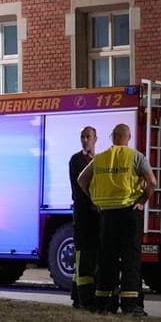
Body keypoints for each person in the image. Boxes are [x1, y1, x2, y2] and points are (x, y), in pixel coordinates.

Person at [76, 123, 159, 316]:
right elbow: (152, 182)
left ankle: (104, 303)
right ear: (128, 137)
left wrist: (95, 198)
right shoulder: (135, 157)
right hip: (129, 212)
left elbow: (82, 179)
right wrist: (142, 200)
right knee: (130, 258)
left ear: (112, 137)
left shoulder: (101, 158)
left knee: (107, 258)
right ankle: (130, 305)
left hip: (107, 214)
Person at [67, 126, 99, 311]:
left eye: (88, 137)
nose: (85, 140)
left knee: (92, 257)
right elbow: (81, 185)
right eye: (83, 137)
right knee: (82, 257)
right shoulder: (77, 160)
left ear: (96, 139)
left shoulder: (98, 160)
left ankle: (86, 294)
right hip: (83, 214)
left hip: (96, 216)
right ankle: (79, 297)